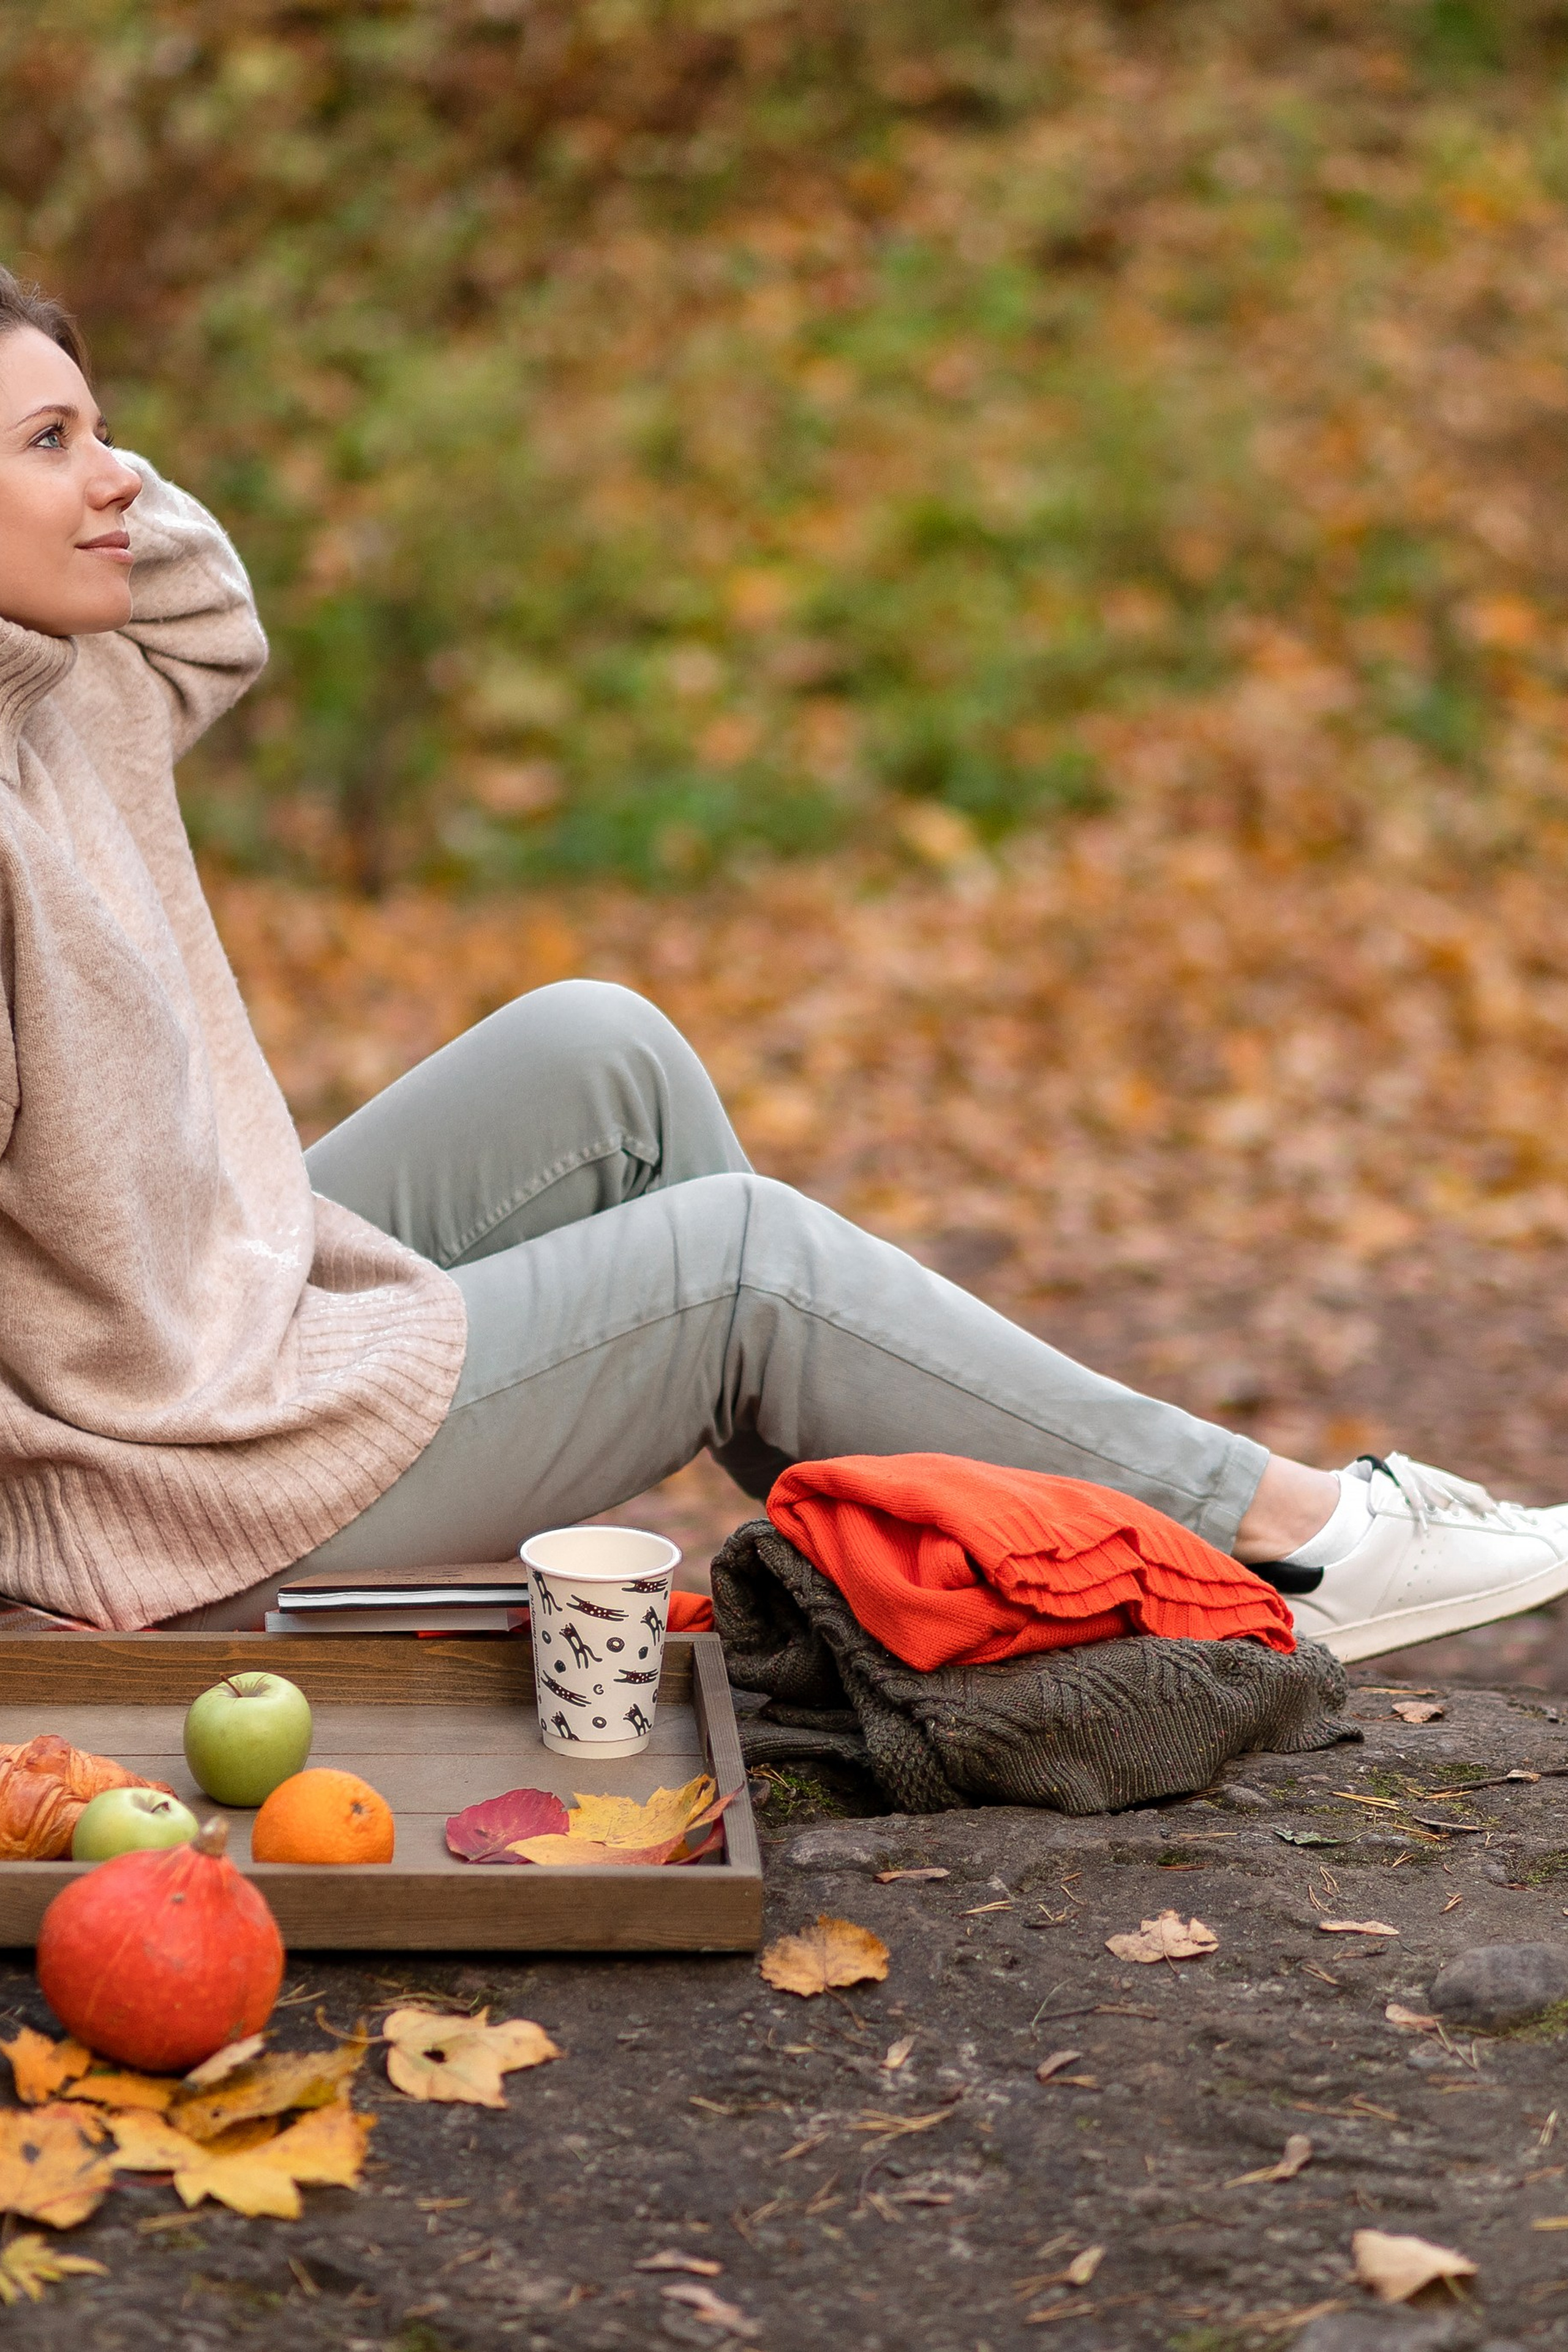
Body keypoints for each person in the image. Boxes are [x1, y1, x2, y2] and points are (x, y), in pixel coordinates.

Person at [2, 266, 1565, 1662]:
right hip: (170, 1502)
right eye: (54, 447)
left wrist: (66, 419)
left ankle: (918, 1575)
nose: (121, 483)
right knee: (738, 1265)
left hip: (211, 1330)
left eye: (103, 427)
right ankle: (1296, 1540)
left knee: (594, 1053)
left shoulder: (71, 687)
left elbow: (211, 615)